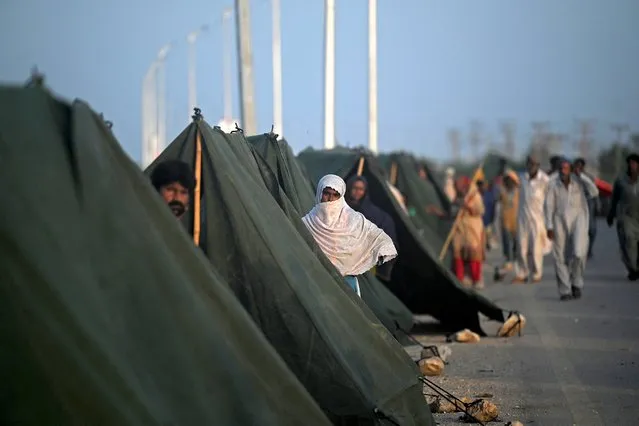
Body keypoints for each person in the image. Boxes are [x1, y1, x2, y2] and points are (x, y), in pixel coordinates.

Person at [302, 174, 398, 296]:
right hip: (316, 280)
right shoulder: (307, 222)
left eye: (335, 195)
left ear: (340, 196)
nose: (330, 198)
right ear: (320, 193)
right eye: (326, 193)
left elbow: (382, 241)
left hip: (345, 283)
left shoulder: (353, 219)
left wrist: (361, 258)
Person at [545, 158, 599, 300]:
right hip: (559, 220)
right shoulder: (553, 183)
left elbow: (594, 192)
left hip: (578, 218)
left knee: (578, 253)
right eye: (561, 168)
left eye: (566, 168)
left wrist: (581, 175)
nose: (563, 171)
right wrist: (549, 226)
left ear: (570, 169)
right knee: (559, 256)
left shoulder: (579, 181)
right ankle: (565, 290)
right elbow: (549, 206)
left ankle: (576, 282)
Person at [429, 176, 485, 288]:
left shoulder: (474, 196)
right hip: (459, 229)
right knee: (458, 253)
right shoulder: (458, 198)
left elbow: (480, 210)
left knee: (473, 253)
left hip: (472, 228)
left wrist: (468, 206)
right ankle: (460, 278)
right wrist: (439, 213)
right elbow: (452, 213)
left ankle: (476, 279)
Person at [346, 176, 398, 280]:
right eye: (355, 188)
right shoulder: (342, 207)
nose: (357, 192)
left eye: (361, 189)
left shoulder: (374, 214)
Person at [513, 155, 550, 284]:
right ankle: (522, 273)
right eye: (529, 164)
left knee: (536, 247)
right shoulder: (522, 178)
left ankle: (536, 274)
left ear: (538, 166)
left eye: (533, 164)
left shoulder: (544, 180)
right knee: (521, 247)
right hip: (523, 217)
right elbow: (509, 178)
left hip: (537, 218)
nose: (531, 167)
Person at [607, 153, 639, 280]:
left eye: (635, 163)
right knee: (628, 241)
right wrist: (611, 214)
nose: (633, 166)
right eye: (631, 163)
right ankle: (633, 268)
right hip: (626, 216)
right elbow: (614, 199)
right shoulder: (621, 180)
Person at [495, 170, 520, 278]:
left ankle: (515, 259)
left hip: (516, 220)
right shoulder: (502, 192)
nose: (509, 182)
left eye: (511, 180)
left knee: (516, 242)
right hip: (505, 221)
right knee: (506, 242)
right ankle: (508, 260)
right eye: (507, 180)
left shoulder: (519, 192)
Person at [573, 158, 599, 258]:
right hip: (575, 205)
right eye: (576, 166)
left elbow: (595, 192)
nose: (578, 168)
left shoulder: (588, 177)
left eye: (580, 166)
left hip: (588, 203)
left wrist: (597, 205)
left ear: (583, 167)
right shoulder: (570, 178)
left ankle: (589, 249)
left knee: (591, 229)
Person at [477, 180, 496, 250]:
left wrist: (492, 218)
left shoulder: (489, 195)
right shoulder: (476, 196)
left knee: (488, 233)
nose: (482, 187)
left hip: (487, 220)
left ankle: (487, 243)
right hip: (478, 221)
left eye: (483, 185)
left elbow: (493, 207)